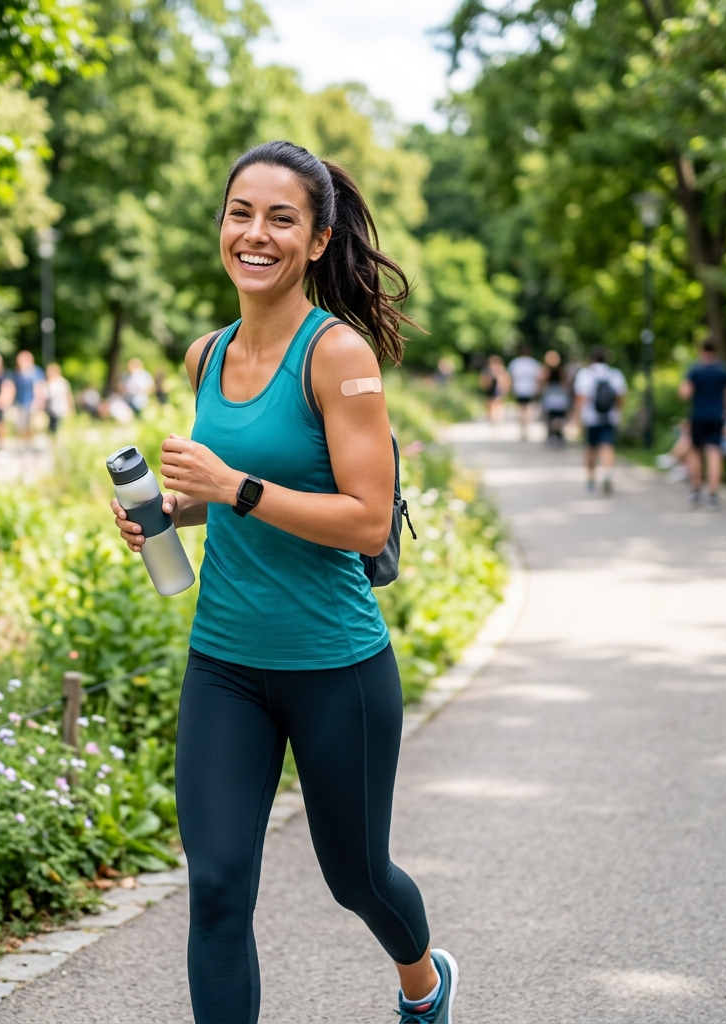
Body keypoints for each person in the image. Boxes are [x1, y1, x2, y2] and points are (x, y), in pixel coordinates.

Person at [111, 141, 456, 1024]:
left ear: (315, 239)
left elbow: (366, 519)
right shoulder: (206, 354)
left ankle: (424, 982)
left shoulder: (337, 357)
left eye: (280, 218)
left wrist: (233, 486)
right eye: (240, 211)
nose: (254, 233)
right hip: (225, 665)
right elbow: (227, 503)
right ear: (220, 223)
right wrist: (172, 512)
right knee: (218, 890)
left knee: (358, 878)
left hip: (335, 666)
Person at [678, 338, 726, 510]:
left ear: (701, 350)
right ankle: (713, 495)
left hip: (699, 416)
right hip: (717, 416)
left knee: (695, 452)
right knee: (714, 453)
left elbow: (685, 393)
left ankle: (696, 490)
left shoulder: (695, 370)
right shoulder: (723, 370)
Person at [573, 346, 626, 495]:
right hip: (610, 417)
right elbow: (620, 397)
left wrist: (576, 417)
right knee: (607, 445)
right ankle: (608, 473)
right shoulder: (615, 374)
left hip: (590, 418)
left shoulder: (585, 374)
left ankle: (591, 479)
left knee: (590, 448)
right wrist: (618, 412)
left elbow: (580, 398)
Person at [507, 344, 542, 439]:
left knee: (521, 409)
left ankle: (523, 428)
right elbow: (538, 378)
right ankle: (526, 428)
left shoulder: (515, 363)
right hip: (530, 389)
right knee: (528, 409)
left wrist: (510, 388)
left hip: (519, 389)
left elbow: (511, 378)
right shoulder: (534, 363)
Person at [13, 349, 46, 447]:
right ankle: (22, 445)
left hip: (32, 402)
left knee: (31, 425)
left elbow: (39, 387)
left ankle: (29, 445)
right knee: (21, 425)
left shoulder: (36, 372)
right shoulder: (18, 372)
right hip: (20, 402)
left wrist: (40, 402)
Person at [540, 349, 570, 446]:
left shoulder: (546, 371)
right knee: (558, 417)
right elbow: (566, 383)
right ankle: (557, 434)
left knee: (551, 417)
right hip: (559, 397)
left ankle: (553, 434)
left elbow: (541, 383)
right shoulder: (561, 371)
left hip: (550, 397)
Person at [44, 363, 74, 435]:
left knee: (60, 428)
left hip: (61, 409)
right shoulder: (46, 383)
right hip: (50, 410)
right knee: (51, 429)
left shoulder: (62, 382)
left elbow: (68, 395)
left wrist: (71, 408)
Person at [480, 354, 507, 423]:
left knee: (497, 402)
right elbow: (483, 380)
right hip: (489, 389)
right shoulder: (487, 370)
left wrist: (505, 388)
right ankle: (492, 417)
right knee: (490, 403)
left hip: (498, 389)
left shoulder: (501, 370)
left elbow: (505, 380)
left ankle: (496, 417)